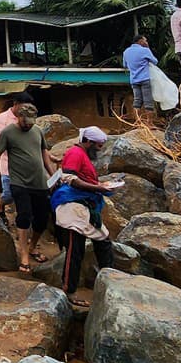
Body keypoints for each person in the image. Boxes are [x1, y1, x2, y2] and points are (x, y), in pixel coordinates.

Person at [52, 126, 118, 307]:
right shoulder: (75, 153)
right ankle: (69, 291)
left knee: (103, 241)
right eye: (97, 146)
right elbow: (69, 178)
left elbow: (83, 177)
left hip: (84, 207)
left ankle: (110, 282)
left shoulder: (81, 154)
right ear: (88, 142)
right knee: (75, 250)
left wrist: (100, 184)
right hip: (72, 207)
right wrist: (99, 188)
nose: (99, 150)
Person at [0, 102, 58, 273]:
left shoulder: (37, 131)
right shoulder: (8, 132)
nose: (28, 125)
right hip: (19, 182)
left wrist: (53, 174)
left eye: (31, 122)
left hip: (39, 182)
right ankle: (24, 256)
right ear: (19, 117)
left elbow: (43, 153)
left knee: (42, 219)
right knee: (24, 216)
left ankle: (33, 246)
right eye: (25, 121)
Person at [0, 91, 35, 218]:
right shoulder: (3, 118)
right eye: (24, 107)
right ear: (15, 104)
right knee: (9, 194)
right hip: (8, 162)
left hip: (25, 163)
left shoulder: (28, 118)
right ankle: (1, 205)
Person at [122, 33, 159, 123]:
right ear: (140, 41)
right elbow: (155, 61)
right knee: (148, 102)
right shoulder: (145, 51)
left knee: (137, 101)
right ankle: (149, 123)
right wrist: (148, 48)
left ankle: (138, 122)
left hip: (134, 80)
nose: (146, 42)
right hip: (144, 79)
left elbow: (125, 65)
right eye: (145, 40)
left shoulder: (126, 51)